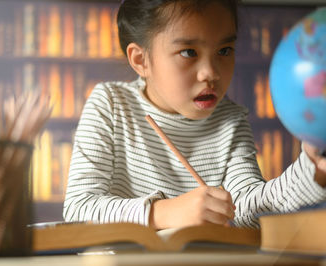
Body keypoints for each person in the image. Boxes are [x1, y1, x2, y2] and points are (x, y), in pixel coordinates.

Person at [63, 0, 326, 229]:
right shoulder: (110, 104)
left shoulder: (230, 120)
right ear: (141, 60)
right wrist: (166, 212)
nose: (211, 73)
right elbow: (79, 209)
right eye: (189, 52)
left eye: (224, 51)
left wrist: (312, 171)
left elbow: (247, 209)